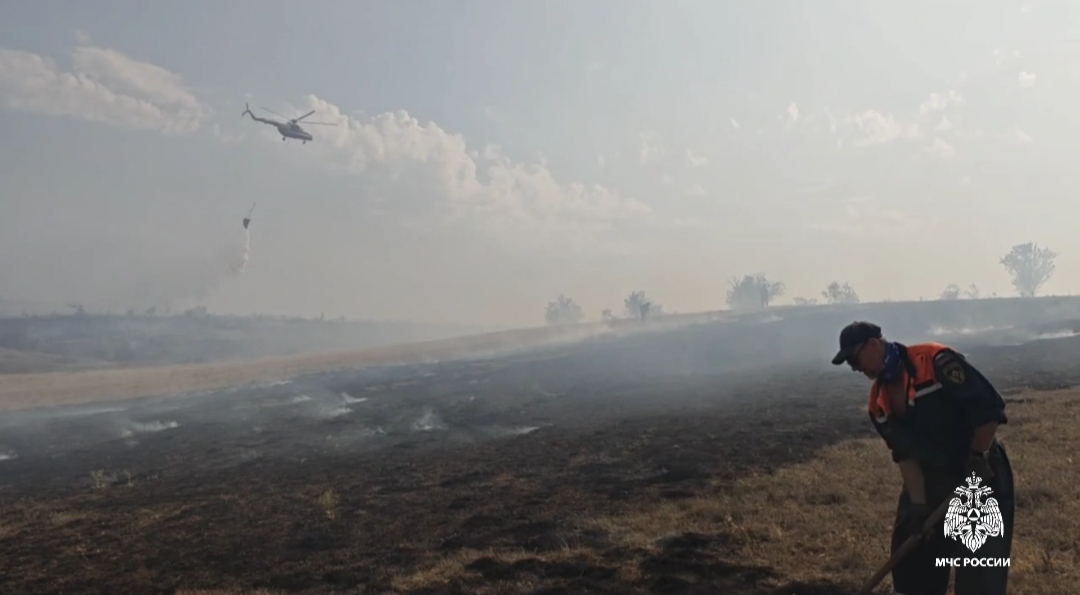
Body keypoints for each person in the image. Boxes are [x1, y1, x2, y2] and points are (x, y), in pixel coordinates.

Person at [831, 321, 1015, 595]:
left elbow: (988, 410)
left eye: (854, 359)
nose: (856, 369)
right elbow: (905, 458)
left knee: (979, 577)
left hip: (978, 473)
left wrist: (976, 458)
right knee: (913, 568)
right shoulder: (878, 404)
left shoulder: (935, 362)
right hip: (930, 481)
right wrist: (918, 506)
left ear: (873, 345)